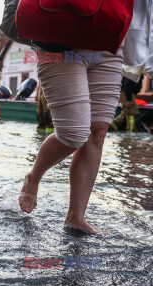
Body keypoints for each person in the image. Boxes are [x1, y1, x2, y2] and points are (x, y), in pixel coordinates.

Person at [18, 47, 123, 235]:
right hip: (63, 43)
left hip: (110, 47)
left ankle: (76, 217)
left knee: (97, 132)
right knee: (73, 134)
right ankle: (33, 177)